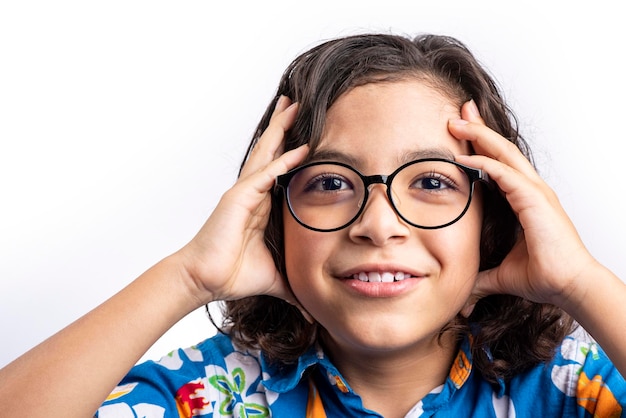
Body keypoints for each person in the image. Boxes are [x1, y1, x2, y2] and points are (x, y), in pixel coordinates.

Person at [0, 32, 625, 418]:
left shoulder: (569, 389)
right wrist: (189, 276)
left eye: (432, 182)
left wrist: (579, 280)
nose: (378, 225)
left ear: (495, 221)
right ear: (272, 217)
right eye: (330, 183)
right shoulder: (213, 394)